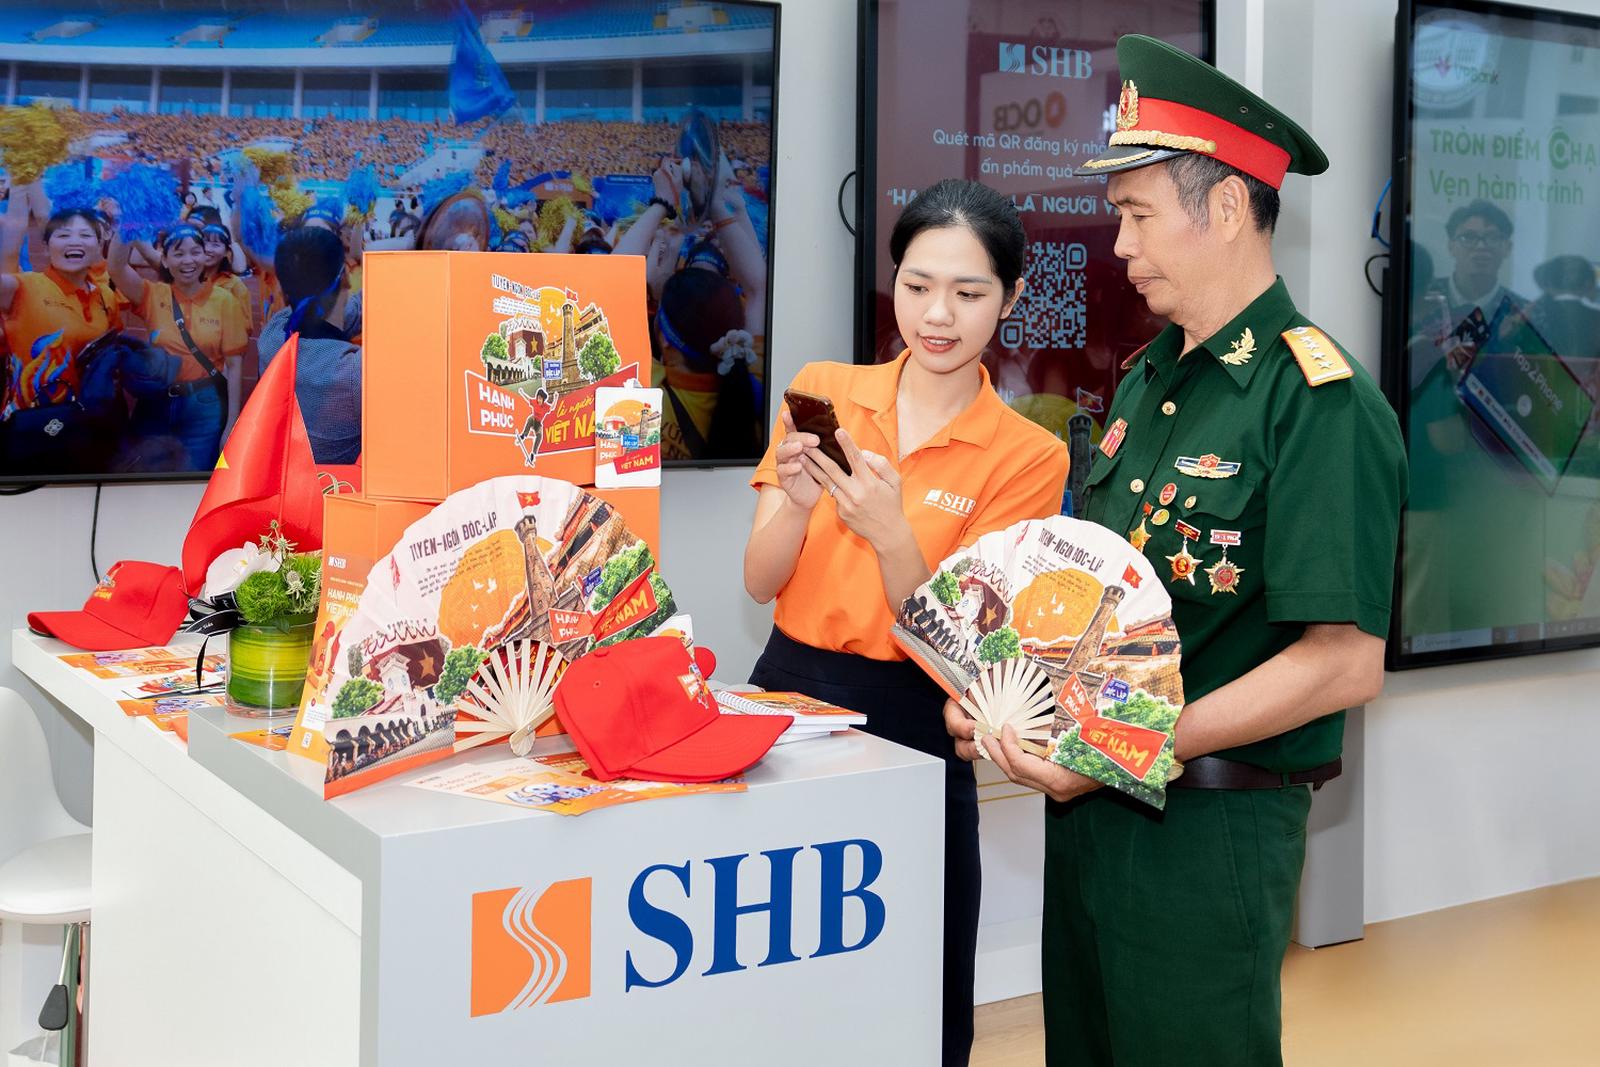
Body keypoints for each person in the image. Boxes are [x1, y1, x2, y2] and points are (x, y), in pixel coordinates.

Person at [944, 36, 1407, 1066]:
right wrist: (1009, 696)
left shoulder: (1317, 403)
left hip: (1207, 832)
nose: (1118, 244)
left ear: (1228, 207)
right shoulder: (1151, 380)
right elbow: (1103, 610)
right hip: (1092, 816)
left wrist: (1129, 747)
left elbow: (1343, 661)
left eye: (1139, 214)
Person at [744, 178, 1070, 1067]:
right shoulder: (824, 390)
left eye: (968, 293)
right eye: (918, 285)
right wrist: (796, 501)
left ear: (1009, 299)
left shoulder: (1029, 455)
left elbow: (967, 650)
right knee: (774, 964)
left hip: (920, 717)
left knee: (919, 978)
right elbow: (760, 579)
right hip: (788, 698)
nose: (937, 315)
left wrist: (891, 535)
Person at [109, 218, 249, 469]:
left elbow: (235, 365)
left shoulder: (225, 301)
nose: (188, 261)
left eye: (195, 252)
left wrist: (232, 424)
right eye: (179, 253)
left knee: (194, 477)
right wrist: (130, 219)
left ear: (205, 256)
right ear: (164, 260)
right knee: (144, 475)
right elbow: (116, 268)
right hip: (154, 402)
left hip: (204, 405)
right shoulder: (152, 295)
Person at [0, 189, 119, 415]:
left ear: (98, 246)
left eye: (85, 235)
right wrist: (20, 183)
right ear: (46, 247)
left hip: (86, 421)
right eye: (63, 236)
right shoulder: (24, 287)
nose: (75, 242)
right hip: (29, 422)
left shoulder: (106, 296)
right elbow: (11, 245)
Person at [256, 225, 362, 465]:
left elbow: (346, 313)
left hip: (285, 477)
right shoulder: (354, 372)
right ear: (345, 278)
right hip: (336, 486)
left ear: (284, 290)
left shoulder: (271, 336)